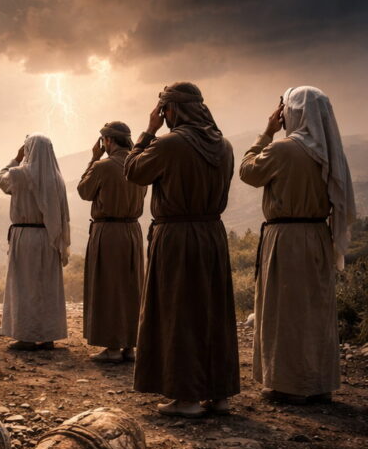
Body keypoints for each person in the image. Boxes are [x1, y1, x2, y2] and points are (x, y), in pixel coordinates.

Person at [124, 82, 240, 417]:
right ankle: (219, 394)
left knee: (179, 312)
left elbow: (133, 171)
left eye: (164, 109)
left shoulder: (170, 143)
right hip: (212, 235)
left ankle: (186, 398)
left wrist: (149, 131)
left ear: (170, 110)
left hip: (177, 236)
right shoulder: (225, 145)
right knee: (212, 311)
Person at [239, 86, 355, 404]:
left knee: (285, 311)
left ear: (292, 113)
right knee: (314, 310)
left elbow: (248, 172)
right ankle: (317, 383)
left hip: (287, 239)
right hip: (318, 236)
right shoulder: (328, 151)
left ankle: (288, 384)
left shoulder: (284, 149)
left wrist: (266, 132)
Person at [77, 121, 146, 363]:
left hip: (108, 232)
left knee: (108, 287)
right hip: (133, 231)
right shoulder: (139, 163)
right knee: (130, 288)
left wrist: (93, 159)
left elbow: (84, 191)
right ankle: (130, 346)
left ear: (107, 140)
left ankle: (113, 347)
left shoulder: (103, 166)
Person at [0, 134, 70, 350]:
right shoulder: (57, 179)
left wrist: (16, 158)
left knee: (25, 286)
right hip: (49, 238)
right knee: (47, 287)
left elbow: (0, 180)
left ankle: (26, 336)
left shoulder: (19, 174)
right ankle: (48, 336)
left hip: (25, 237)